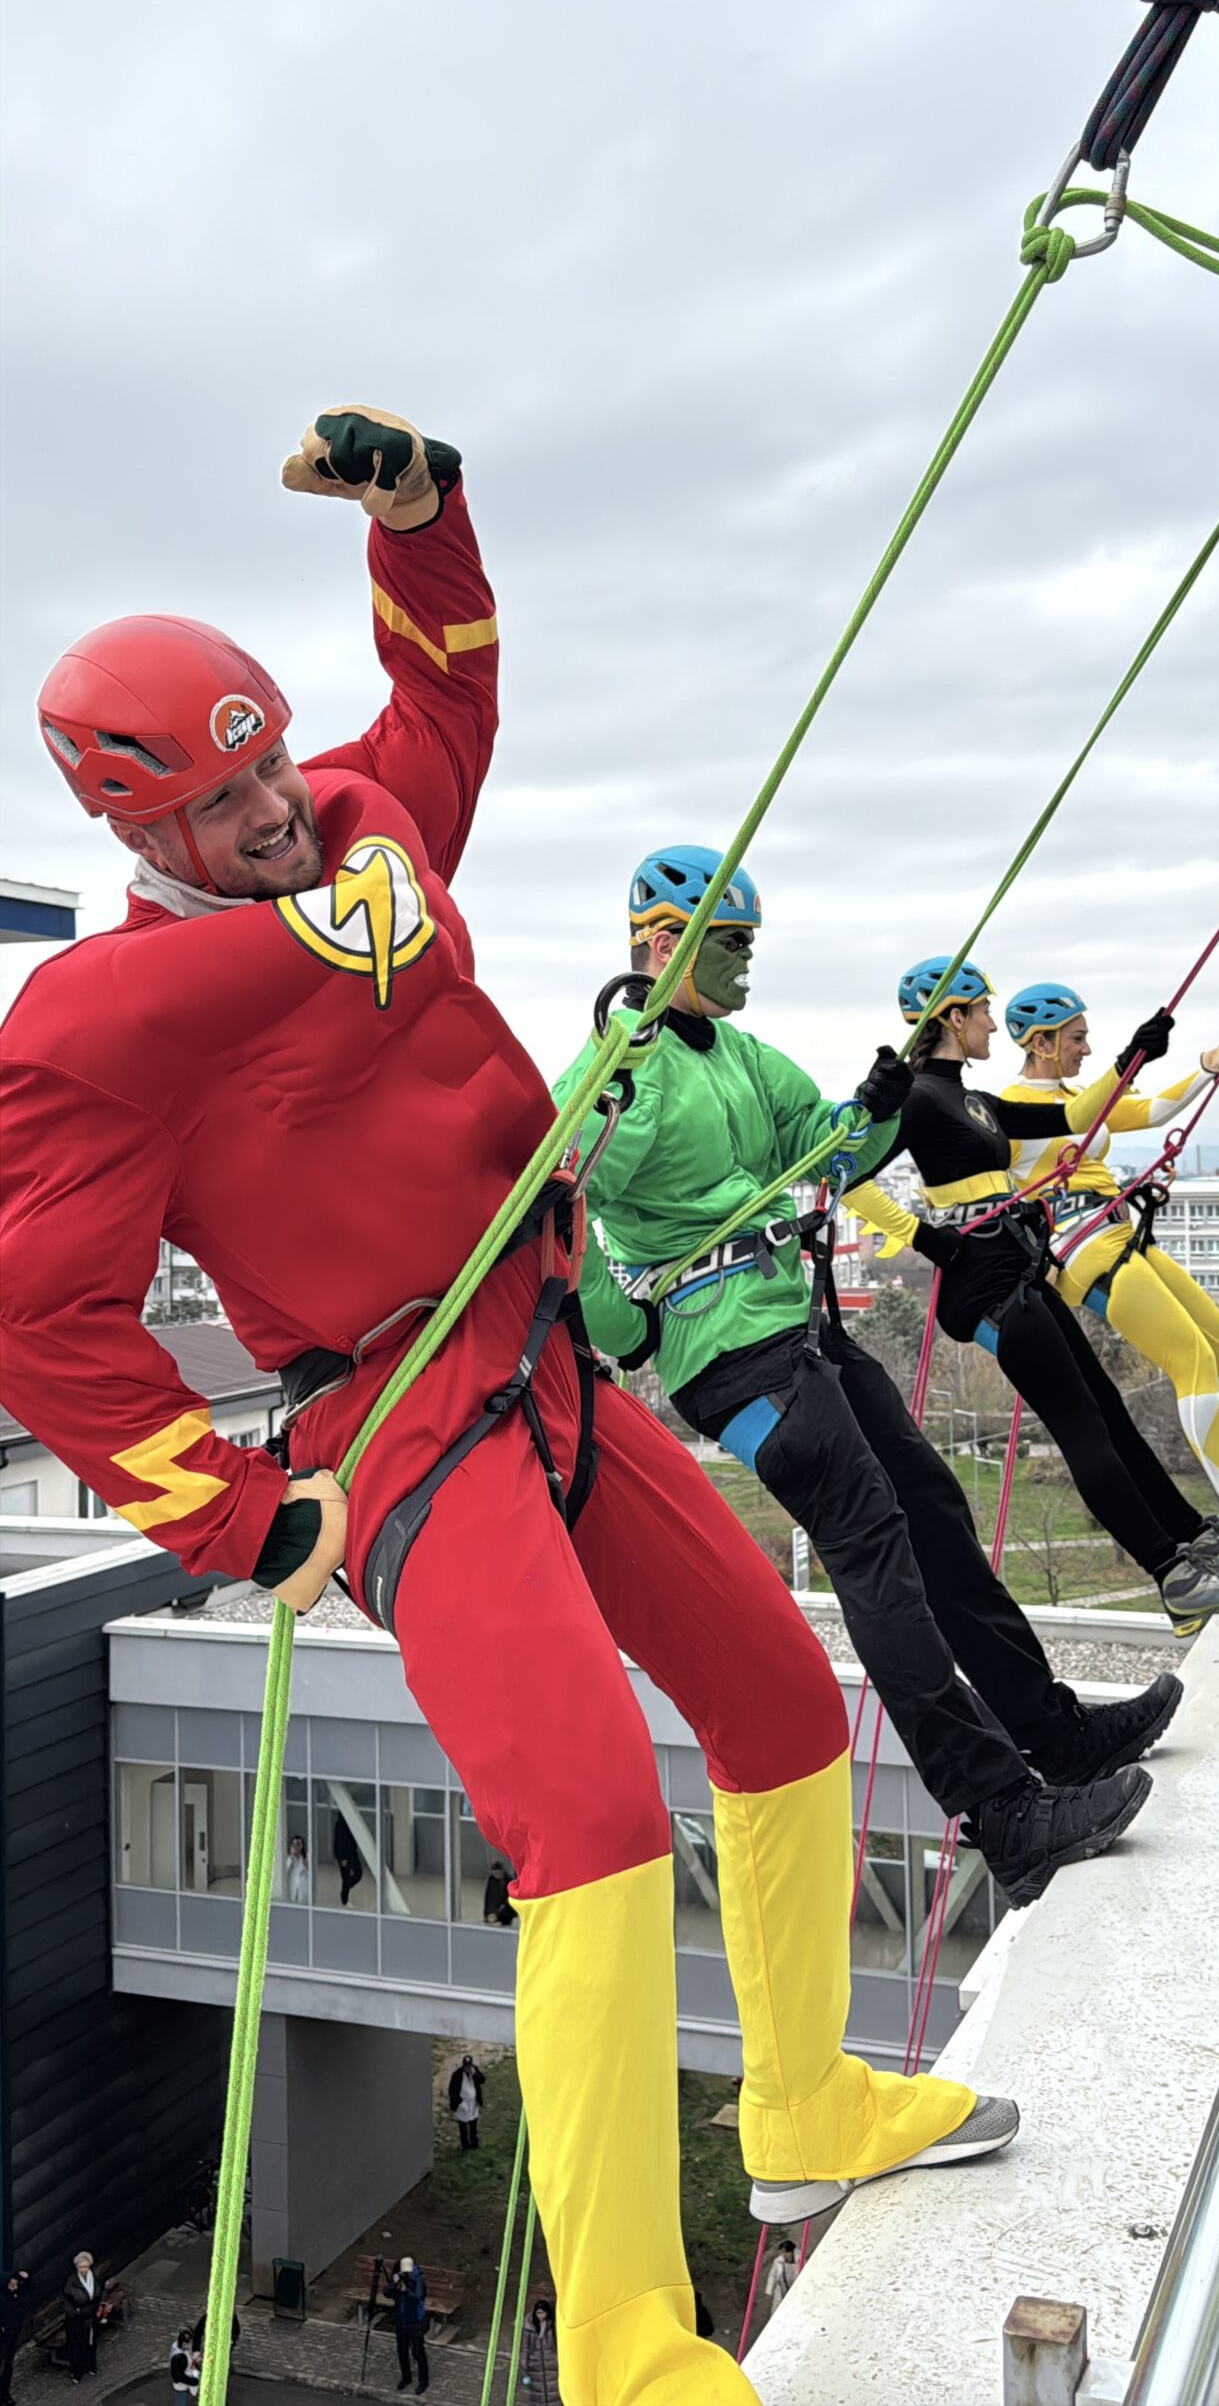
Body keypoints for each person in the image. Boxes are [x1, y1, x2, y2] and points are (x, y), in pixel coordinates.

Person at [0, 405, 1009, 2406]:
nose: (274, 810)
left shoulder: (363, 829)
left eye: (271, 762)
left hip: (538, 1349)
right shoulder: (97, 1032)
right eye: (221, 800)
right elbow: (42, 1318)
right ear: (132, 832)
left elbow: (444, 699)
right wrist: (236, 1516)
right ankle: (628, 2341)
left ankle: (804, 2102)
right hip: (388, 1416)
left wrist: (422, 520)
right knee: (594, 1818)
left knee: (782, 1702)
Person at [556, 845, 1178, 1913]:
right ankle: (1002, 1810)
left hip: (796, 1324)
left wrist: (876, 1107)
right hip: (727, 1354)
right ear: (662, 944)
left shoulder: (742, 1058)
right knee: (873, 1543)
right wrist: (632, 1330)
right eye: (731, 943)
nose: (748, 963)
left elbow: (828, 1153)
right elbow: (558, 1198)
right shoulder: (619, 1074)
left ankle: (1053, 1733)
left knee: (929, 1508)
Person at [846, 959, 1219, 1641]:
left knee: (1107, 1410)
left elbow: (1079, 1114)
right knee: (1081, 1423)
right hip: (983, 1285)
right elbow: (846, 1173)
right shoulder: (918, 1098)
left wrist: (1132, 1059)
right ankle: (1174, 1577)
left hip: (1014, 1268)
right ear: (953, 1018)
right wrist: (924, 1238)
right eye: (982, 1012)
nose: (991, 1023)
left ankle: (1193, 1538)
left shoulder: (973, 1100)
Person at [1002, 981, 1219, 1534]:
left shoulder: (1072, 1097)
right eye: (1076, 1038)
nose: (1085, 1049)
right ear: (1041, 1043)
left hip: (1118, 1231)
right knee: (1190, 1358)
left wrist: (1210, 1064)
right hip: (1085, 1248)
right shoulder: (1013, 1110)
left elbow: (1152, 1111)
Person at [61, 2256, 105, 2384]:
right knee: (77, 2345)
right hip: (77, 2318)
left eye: (85, 2267)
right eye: (80, 2267)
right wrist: (75, 2313)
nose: (83, 2270)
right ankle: (77, 2371)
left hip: (92, 2315)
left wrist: (102, 2304)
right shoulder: (71, 2281)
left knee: (91, 2342)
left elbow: (102, 2292)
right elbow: (65, 2299)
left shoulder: (95, 2278)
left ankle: (90, 2365)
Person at [388, 2258, 428, 2395]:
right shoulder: (399, 2277)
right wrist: (394, 2284)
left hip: (415, 2320)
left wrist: (406, 2291)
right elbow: (387, 2293)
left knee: (418, 2350)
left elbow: (418, 2298)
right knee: (402, 2350)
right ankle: (406, 2377)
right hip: (401, 2320)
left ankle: (423, 2380)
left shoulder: (418, 2279)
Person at [518, 2296, 561, 2400]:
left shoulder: (553, 2326)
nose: (540, 2316)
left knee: (554, 2394)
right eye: (538, 2313)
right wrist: (524, 2364)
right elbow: (524, 2347)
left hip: (552, 2365)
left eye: (542, 2313)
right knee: (538, 2395)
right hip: (535, 2365)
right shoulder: (529, 2326)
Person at [1, 2270, 32, 2406]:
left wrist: (25, 2278)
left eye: (16, 2285)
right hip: (4, 2337)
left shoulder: (14, 2295)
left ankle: (4, 2394)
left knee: (7, 2367)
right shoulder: (3, 2298)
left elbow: (29, 2289)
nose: (14, 2287)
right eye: (12, 2285)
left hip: (11, 2335)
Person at [448, 2053, 484, 2150]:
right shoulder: (457, 2075)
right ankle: (465, 2144)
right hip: (462, 2103)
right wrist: (459, 2103)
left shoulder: (475, 2070)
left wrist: (475, 2074)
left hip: (473, 2103)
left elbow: (482, 2080)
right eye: (466, 2067)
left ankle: (474, 2142)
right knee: (463, 2125)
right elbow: (452, 2091)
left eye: (469, 2066)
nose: (468, 2068)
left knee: (473, 2123)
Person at [332, 1813, 364, 1908]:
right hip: (344, 1856)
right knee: (346, 1878)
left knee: (357, 1874)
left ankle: (344, 1892)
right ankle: (344, 1900)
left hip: (352, 1853)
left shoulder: (350, 1822)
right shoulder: (340, 1825)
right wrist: (341, 1857)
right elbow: (339, 1841)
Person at [763, 2240, 798, 2319]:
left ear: (790, 2252)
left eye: (784, 2252)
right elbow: (772, 2275)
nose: (782, 2255)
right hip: (780, 2286)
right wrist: (769, 2290)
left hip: (794, 2289)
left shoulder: (799, 2261)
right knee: (776, 2308)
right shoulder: (778, 2261)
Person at [169, 2330, 199, 2406]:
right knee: (180, 2400)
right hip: (181, 2383)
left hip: (184, 2377)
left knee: (181, 2399)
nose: (191, 2345)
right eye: (190, 2343)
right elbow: (178, 2375)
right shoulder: (178, 2357)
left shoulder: (178, 2346)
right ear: (184, 2344)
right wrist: (193, 2381)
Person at [285, 1832, 311, 1903]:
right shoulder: (288, 1858)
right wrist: (291, 1856)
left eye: (298, 1844)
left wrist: (305, 1863)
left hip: (303, 1887)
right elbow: (284, 1871)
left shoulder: (306, 1857)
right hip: (292, 1886)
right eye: (294, 1844)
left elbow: (309, 1871)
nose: (296, 1847)